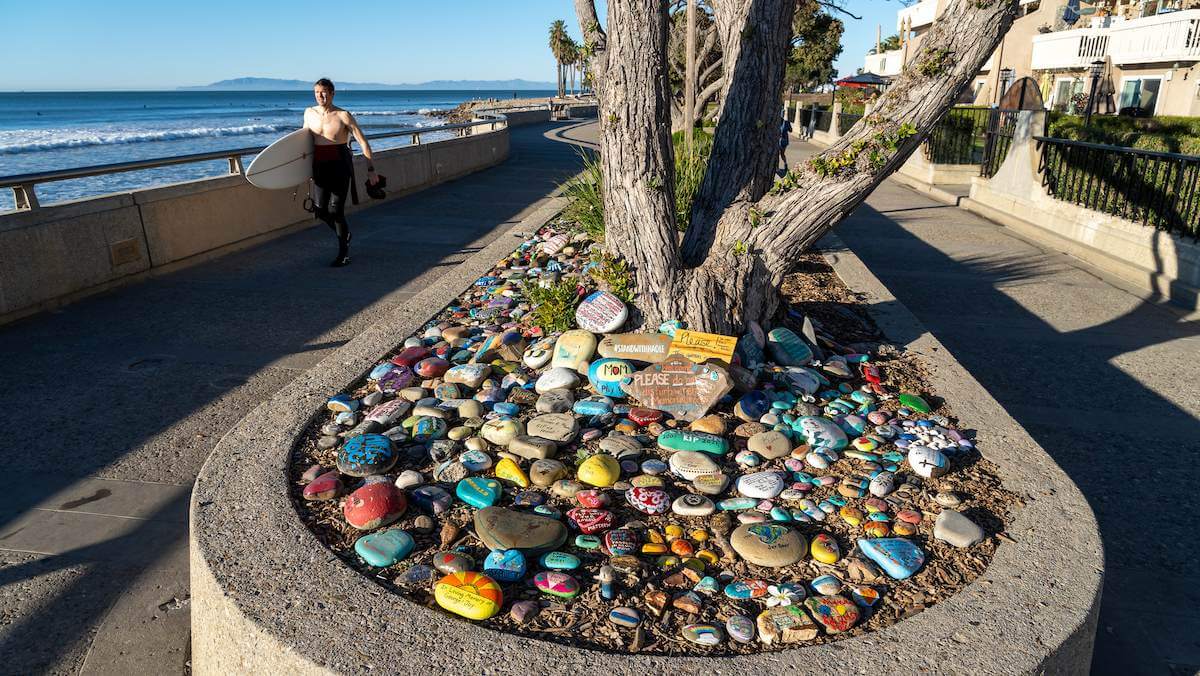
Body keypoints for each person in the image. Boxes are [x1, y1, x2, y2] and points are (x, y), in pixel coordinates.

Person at [302, 78, 379, 267]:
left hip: (339, 163)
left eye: (325, 92)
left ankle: (343, 253)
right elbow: (302, 143)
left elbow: (363, 142)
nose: (321, 95)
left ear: (333, 93)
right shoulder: (308, 113)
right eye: (318, 92)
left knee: (336, 210)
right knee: (320, 210)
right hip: (319, 164)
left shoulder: (343, 115)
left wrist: (371, 170)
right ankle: (345, 234)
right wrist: (299, 169)